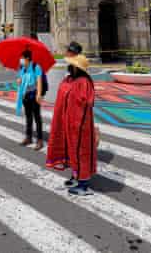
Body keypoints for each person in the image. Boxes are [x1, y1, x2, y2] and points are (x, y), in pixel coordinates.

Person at [46, 41, 97, 196]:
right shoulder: (70, 79)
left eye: (72, 64)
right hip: (68, 122)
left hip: (79, 125)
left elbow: (86, 102)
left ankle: (83, 184)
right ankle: (76, 175)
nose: (70, 65)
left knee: (81, 151)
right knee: (71, 150)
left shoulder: (84, 82)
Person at [16, 49, 45, 150]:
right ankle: (28, 137)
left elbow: (39, 81)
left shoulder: (35, 67)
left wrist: (39, 94)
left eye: (22, 58)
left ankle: (40, 140)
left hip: (34, 95)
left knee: (37, 118)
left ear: (27, 58)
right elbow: (20, 81)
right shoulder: (22, 68)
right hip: (25, 95)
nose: (21, 60)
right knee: (28, 117)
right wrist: (19, 81)